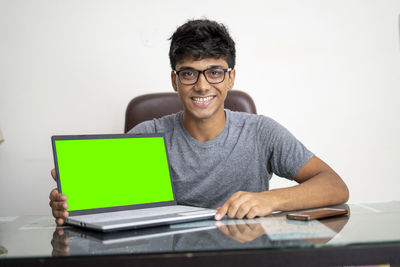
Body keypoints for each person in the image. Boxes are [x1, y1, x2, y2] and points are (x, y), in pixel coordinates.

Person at [49, 19, 349, 226]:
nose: (202, 86)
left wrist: (270, 200)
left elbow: (335, 185)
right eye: (189, 73)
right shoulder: (145, 138)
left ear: (230, 77)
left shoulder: (261, 132)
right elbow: (102, 208)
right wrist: (71, 202)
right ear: (175, 80)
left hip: (245, 257)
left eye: (214, 72)